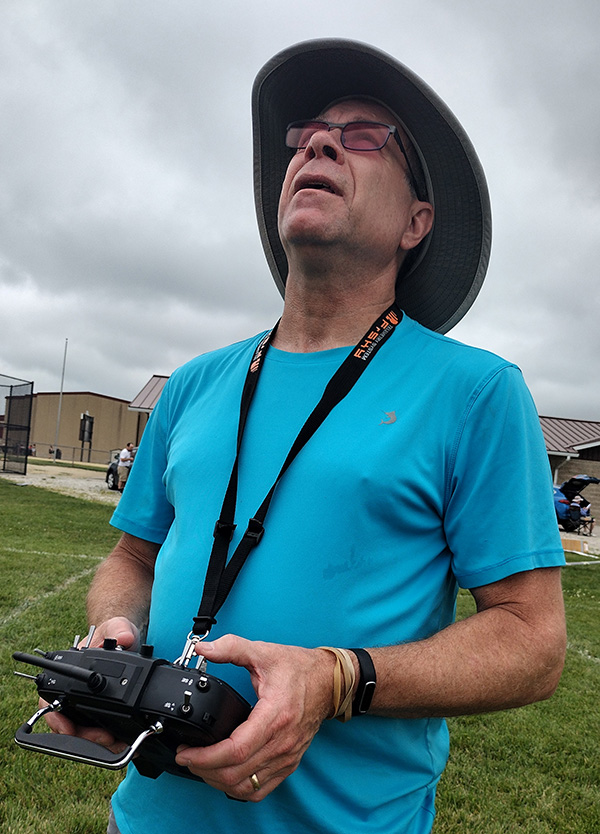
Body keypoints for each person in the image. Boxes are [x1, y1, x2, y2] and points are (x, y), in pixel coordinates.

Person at [46, 40, 567, 834]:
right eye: (309, 132)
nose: (318, 142)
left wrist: (335, 679)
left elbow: (534, 642)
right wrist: (115, 636)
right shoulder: (195, 384)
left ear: (416, 223)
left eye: (364, 135)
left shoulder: (476, 392)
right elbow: (132, 559)